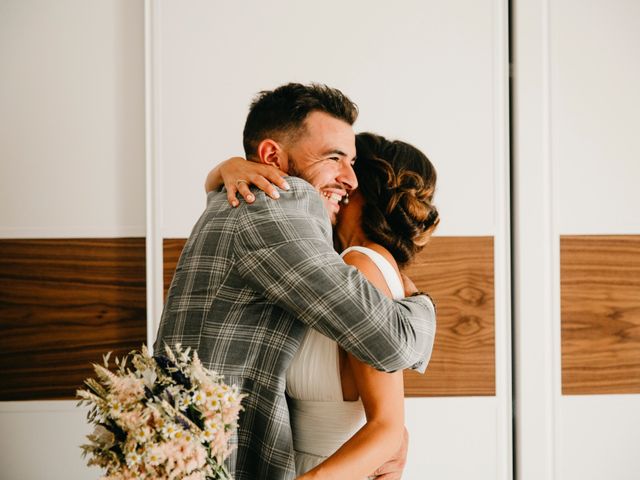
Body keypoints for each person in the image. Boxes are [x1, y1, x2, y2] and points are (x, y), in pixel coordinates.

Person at [154, 83, 436, 480]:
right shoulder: (279, 210)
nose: (349, 179)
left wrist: (223, 169)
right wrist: (421, 301)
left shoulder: (240, 197)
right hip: (215, 458)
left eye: (353, 163)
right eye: (334, 157)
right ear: (271, 156)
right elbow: (394, 342)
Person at [209, 132, 439, 479]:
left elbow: (387, 427)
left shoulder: (362, 265)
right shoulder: (345, 265)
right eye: (336, 162)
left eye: (348, 166)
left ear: (360, 188)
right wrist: (227, 168)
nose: (339, 178)